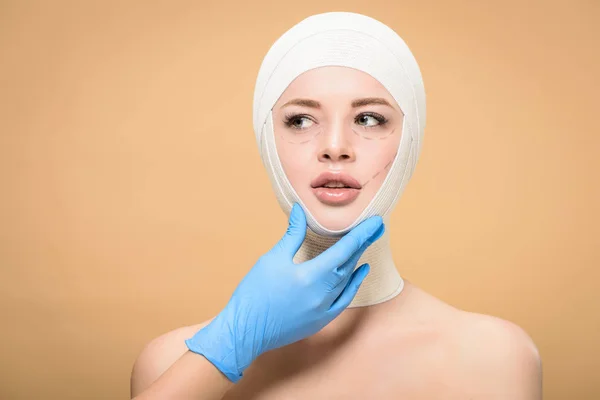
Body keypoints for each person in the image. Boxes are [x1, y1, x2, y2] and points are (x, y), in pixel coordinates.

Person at [130, 12, 542, 399]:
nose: (334, 148)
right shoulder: (169, 366)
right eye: (301, 120)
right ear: (266, 141)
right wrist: (228, 347)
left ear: (410, 140)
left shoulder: (495, 361)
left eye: (368, 119)